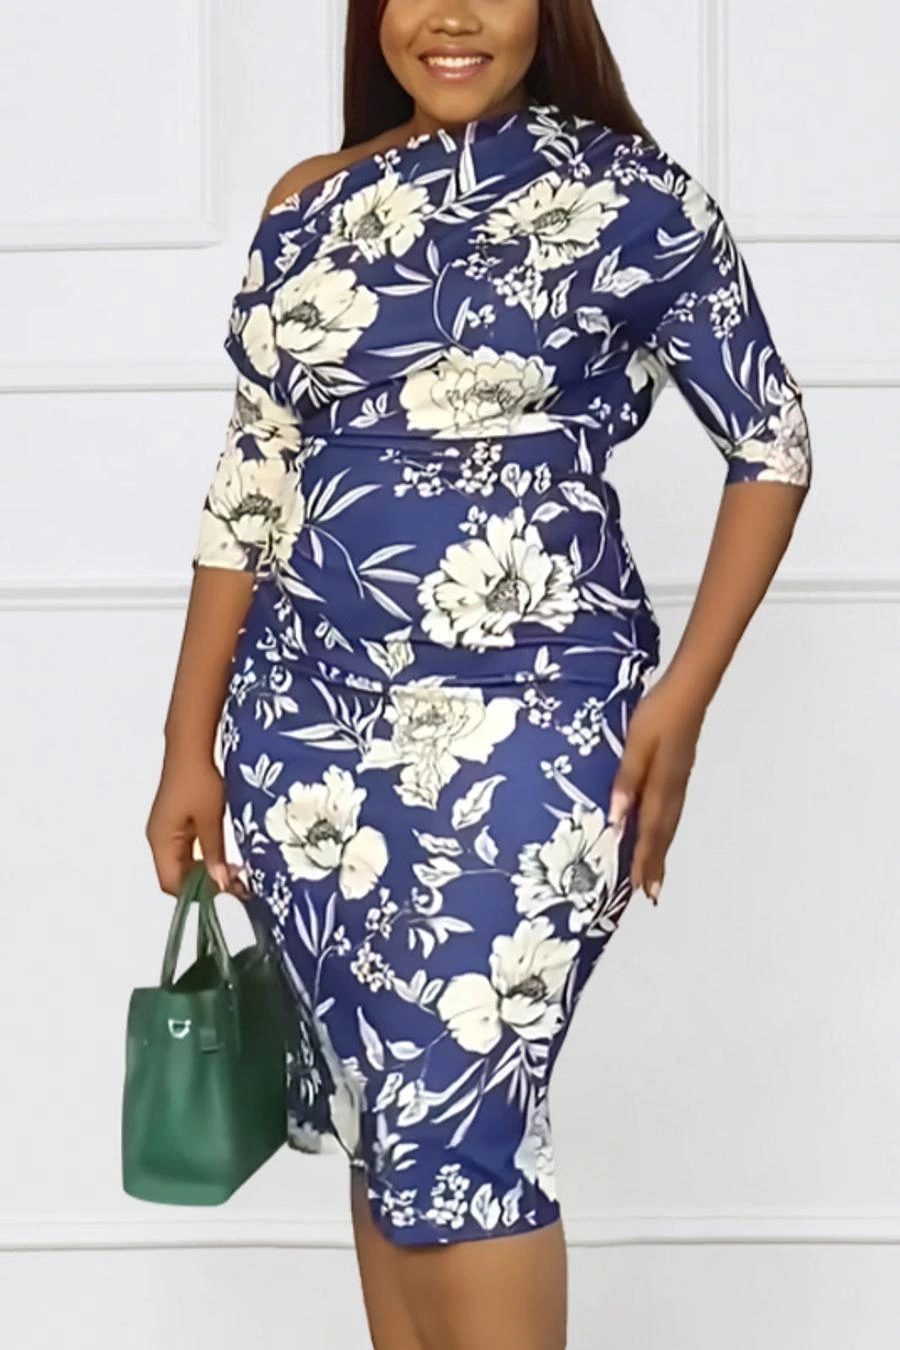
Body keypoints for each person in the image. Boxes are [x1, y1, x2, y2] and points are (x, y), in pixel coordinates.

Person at [146, 1, 812, 1346]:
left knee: (466, 1119)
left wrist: (680, 701)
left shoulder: (634, 198)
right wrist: (185, 745)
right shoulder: (309, 203)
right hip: (303, 726)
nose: (450, 16)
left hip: (537, 719)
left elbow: (774, 440)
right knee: (383, 1109)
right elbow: (251, 486)